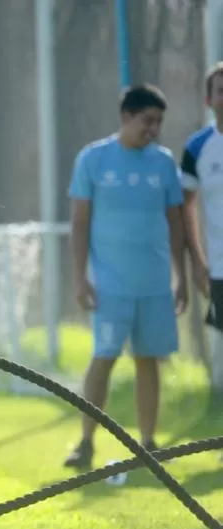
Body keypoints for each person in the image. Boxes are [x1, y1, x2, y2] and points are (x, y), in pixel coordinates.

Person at [63, 84, 188, 470]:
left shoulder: (164, 163)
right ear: (125, 117)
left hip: (152, 283)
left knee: (148, 360)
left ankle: (147, 445)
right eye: (147, 120)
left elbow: (176, 222)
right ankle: (85, 441)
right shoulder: (94, 159)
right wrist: (81, 279)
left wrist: (180, 275)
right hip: (110, 285)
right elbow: (80, 223)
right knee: (104, 357)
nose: (153, 129)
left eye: (159, 122)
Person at [178, 62, 223, 463]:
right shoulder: (197, 149)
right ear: (209, 99)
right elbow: (185, 207)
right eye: (220, 90)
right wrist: (198, 260)